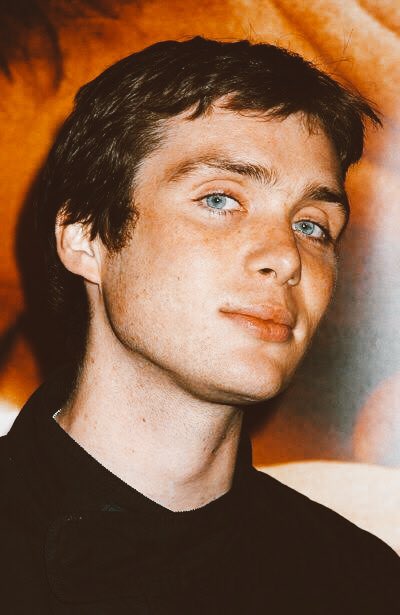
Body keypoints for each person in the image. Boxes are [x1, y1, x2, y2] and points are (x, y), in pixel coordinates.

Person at [0, 36, 398, 613]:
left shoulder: (362, 584)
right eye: (219, 200)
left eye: (312, 225)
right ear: (86, 238)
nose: (286, 257)